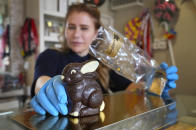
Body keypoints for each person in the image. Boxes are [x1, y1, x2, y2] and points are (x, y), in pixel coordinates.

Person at [30, 3, 179, 116]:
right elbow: (41, 80)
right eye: (71, 27)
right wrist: (47, 86)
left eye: (84, 28)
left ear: (95, 33)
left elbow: (130, 88)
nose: (76, 34)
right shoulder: (50, 56)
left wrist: (154, 84)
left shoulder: (103, 64)